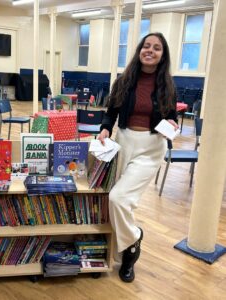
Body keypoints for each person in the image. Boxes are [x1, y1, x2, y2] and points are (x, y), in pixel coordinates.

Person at [98, 32, 178, 283]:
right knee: (122, 200)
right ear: (139, 50)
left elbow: (172, 115)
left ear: (162, 55)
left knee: (120, 198)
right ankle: (125, 249)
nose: (150, 51)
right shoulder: (124, 80)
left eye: (156, 48)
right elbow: (111, 111)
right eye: (147, 46)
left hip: (151, 148)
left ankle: (132, 242)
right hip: (123, 142)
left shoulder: (167, 85)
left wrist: (173, 124)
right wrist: (105, 128)